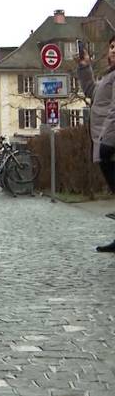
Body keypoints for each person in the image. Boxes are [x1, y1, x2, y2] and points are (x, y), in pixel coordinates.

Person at [76, 36, 115, 252]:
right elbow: (92, 91)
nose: (113, 51)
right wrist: (85, 67)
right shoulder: (109, 77)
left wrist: (107, 143)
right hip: (104, 141)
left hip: (110, 144)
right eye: (111, 47)